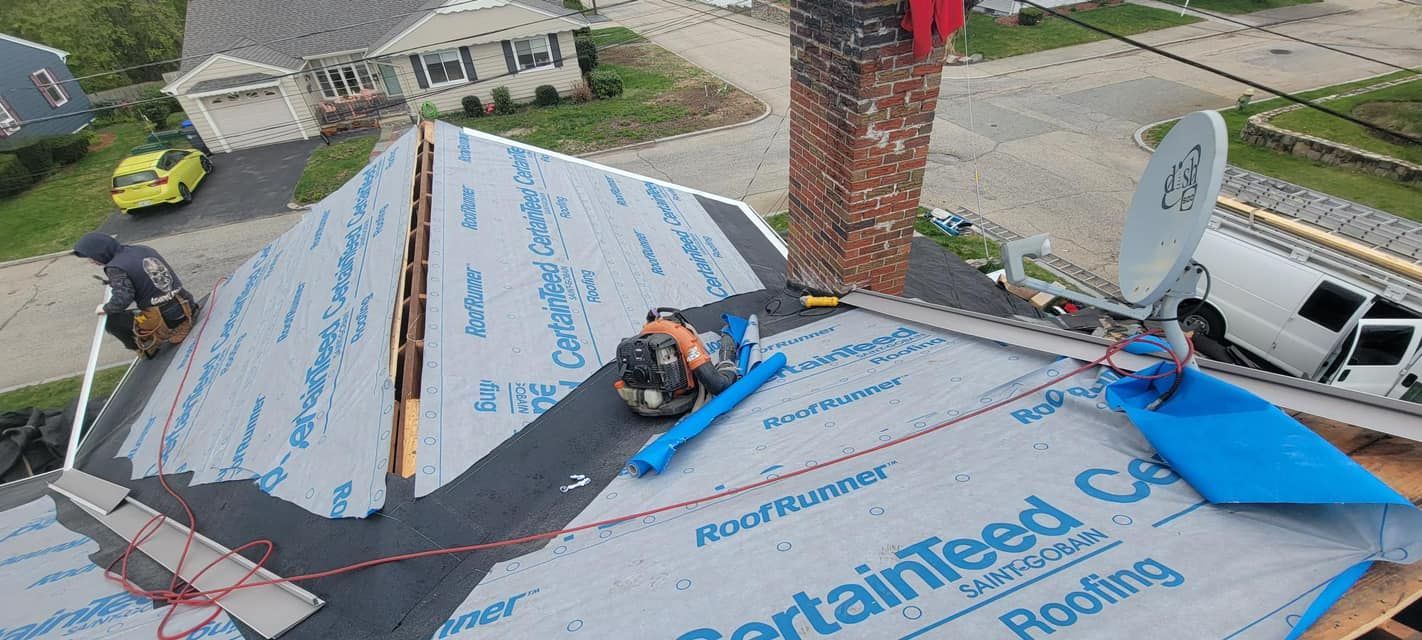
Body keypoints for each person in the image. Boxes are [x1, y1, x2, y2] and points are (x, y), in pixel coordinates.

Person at [72, 232, 199, 354]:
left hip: (166, 317)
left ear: (100, 252)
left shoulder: (115, 267)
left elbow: (122, 300)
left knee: (112, 320)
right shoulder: (142, 249)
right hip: (185, 302)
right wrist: (116, 282)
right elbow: (144, 278)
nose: (91, 261)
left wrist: (105, 308)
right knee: (135, 311)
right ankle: (182, 320)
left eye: (92, 257)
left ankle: (146, 346)